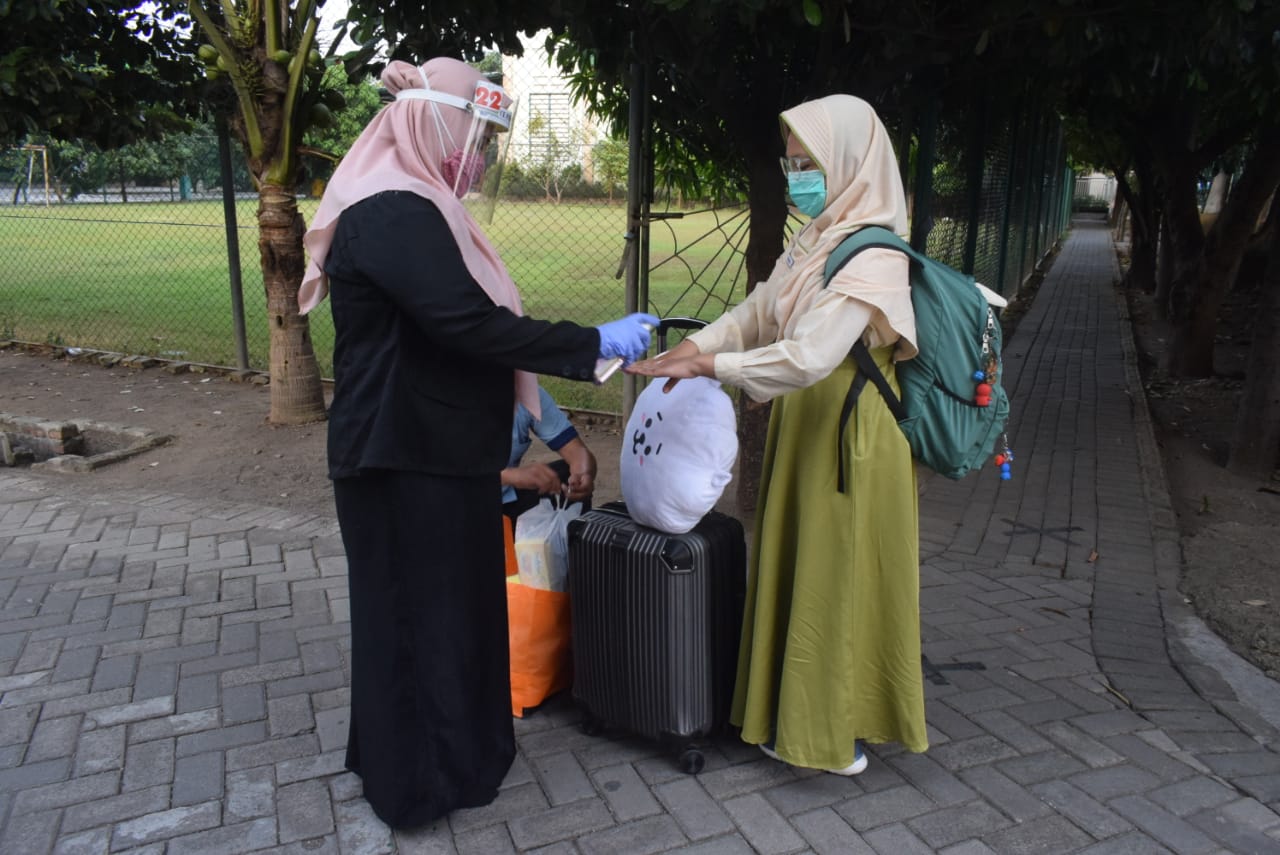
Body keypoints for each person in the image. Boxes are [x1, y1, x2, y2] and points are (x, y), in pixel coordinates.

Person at [297, 57, 657, 829]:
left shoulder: (420, 204)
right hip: (398, 457)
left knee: (451, 616)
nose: (481, 158)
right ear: (433, 122)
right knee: (413, 622)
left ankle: (454, 756)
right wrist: (592, 342)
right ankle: (414, 785)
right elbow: (467, 323)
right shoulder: (389, 208)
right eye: (476, 135)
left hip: (437, 451)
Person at [627, 94, 927, 775]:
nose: (797, 177)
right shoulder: (817, 238)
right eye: (791, 163)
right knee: (800, 564)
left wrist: (711, 366)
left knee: (834, 577)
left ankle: (829, 733)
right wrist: (693, 348)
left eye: (809, 163)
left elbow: (812, 354)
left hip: (850, 436)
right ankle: (783, 712)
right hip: (807, 420)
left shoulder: (874, 252)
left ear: (850, 162)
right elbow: (759, 312)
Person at [502, 384, 597, 522]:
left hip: (506, 499)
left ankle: (572, 534)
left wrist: (583, 474)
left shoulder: (526, 390)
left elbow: (576, 450)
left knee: (564, 474)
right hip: (470, 503)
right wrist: (511, 476)